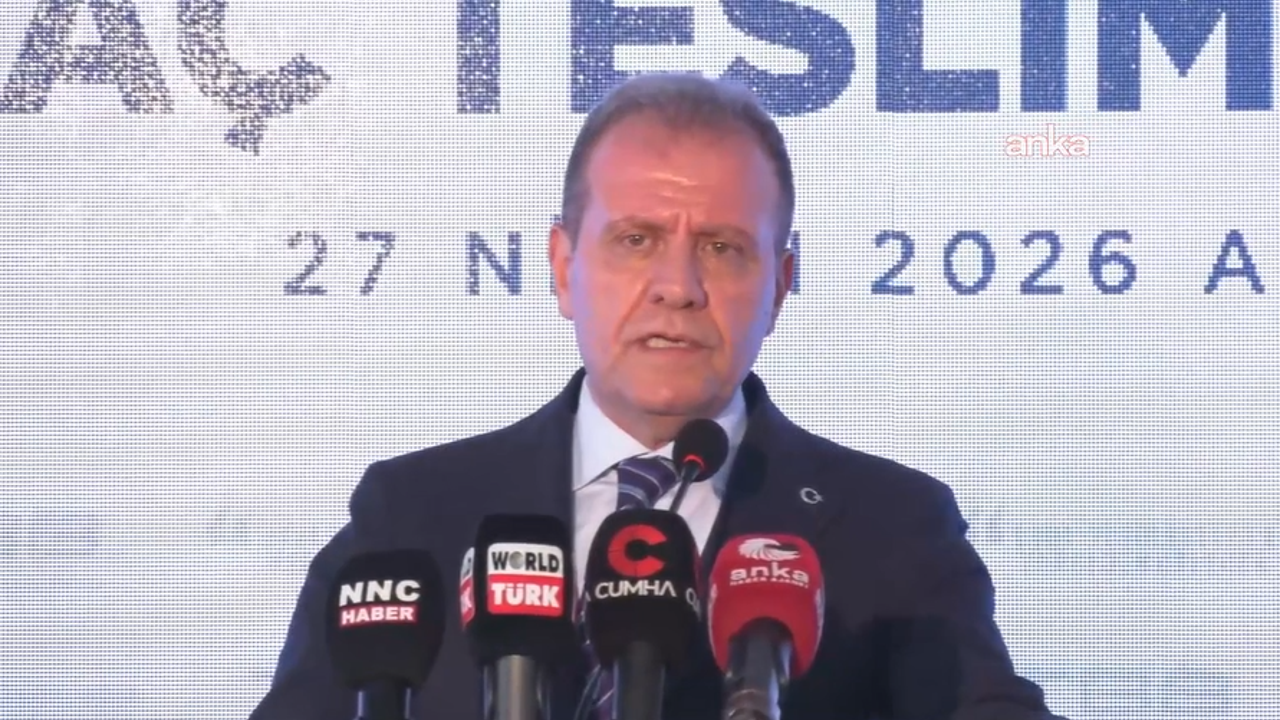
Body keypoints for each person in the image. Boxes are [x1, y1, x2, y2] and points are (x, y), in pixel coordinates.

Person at [248, 72, 1067, 720]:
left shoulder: (892, 530)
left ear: (781, 285)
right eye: (636, 240)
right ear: (564, 268)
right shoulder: (412, 514)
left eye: (722, 247)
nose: (678, 286)